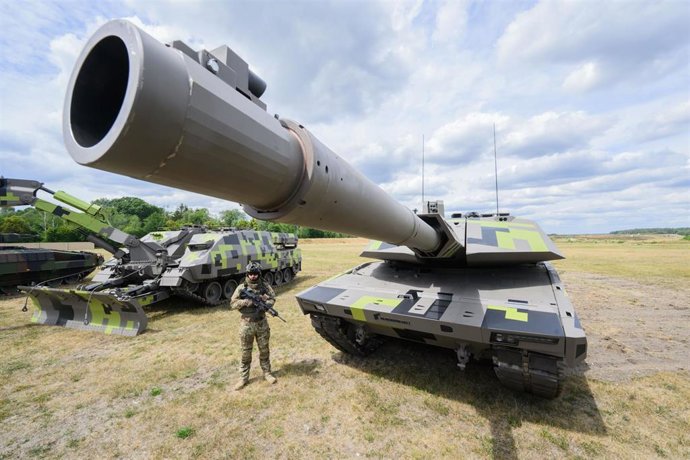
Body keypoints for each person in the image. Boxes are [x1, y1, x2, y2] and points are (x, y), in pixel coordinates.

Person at [230, 261, 277, 390]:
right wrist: (246, 302)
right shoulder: (241, 288)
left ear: (259, 274)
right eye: (250, 274)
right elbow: (233, 304)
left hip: (262, 322)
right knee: (246, 352)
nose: (253, 276)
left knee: (264, 350)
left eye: (255, 274)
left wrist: (265, 302)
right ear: (247, 274)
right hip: (246, 324)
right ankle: (243, 378)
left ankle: (267, 373)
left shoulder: (265, 286)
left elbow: (273, 298)